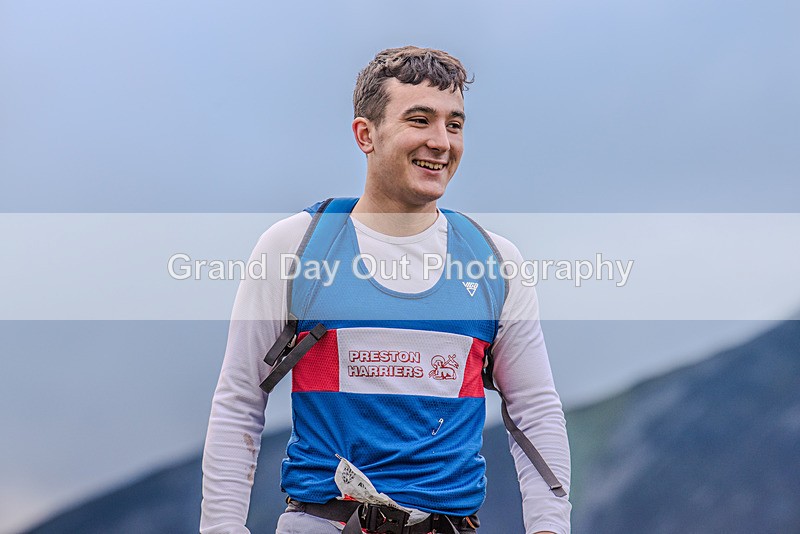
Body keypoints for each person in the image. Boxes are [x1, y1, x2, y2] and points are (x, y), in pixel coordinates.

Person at [200, 46, 571, 534]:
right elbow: (240, 399)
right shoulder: (295, 247)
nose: (441, 141)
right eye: (420, 120)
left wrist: (549, 528)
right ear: (366, 134)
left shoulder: (495, 262)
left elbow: (534, 410)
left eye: (454, 125)